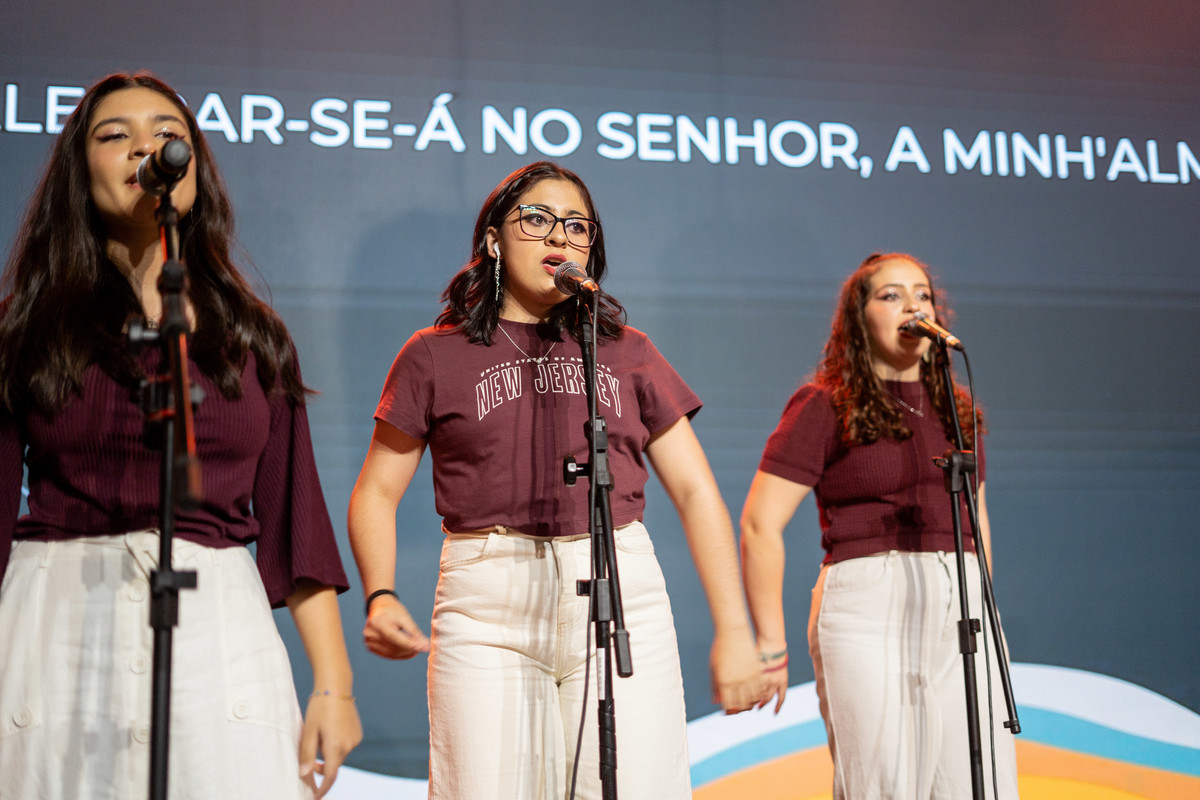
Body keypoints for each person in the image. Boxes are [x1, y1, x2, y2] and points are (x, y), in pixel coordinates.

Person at [348, 161, 764, 799]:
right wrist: (380, 595)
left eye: (576, 227)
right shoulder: (435, 353)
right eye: (536, 220)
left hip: (618, 582)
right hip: (488, 596)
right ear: (494, 239)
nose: (559, 238)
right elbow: (377, 491)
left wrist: (736, 633)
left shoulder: (628, 350)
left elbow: (696, 491)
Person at [0, 73, 361, 799]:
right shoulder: (24, 329)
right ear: (82, 171)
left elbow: (297, 523)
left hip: (218, 628)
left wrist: (334, 685)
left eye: (168, 134)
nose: (147, 148)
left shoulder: (253, 337)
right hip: (57, 617)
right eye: (116, 135)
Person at [739, 253, 1019, 799]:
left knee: (979, 782)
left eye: (922, 294)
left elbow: (976, 517)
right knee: (885, 785)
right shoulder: (824, 404)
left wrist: (981, 598)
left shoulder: (958, 410)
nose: (912, 305)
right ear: (858, 317)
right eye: (891, 295)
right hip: (868, 603)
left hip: (961, 604)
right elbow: (759, 525)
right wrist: (770, 644)